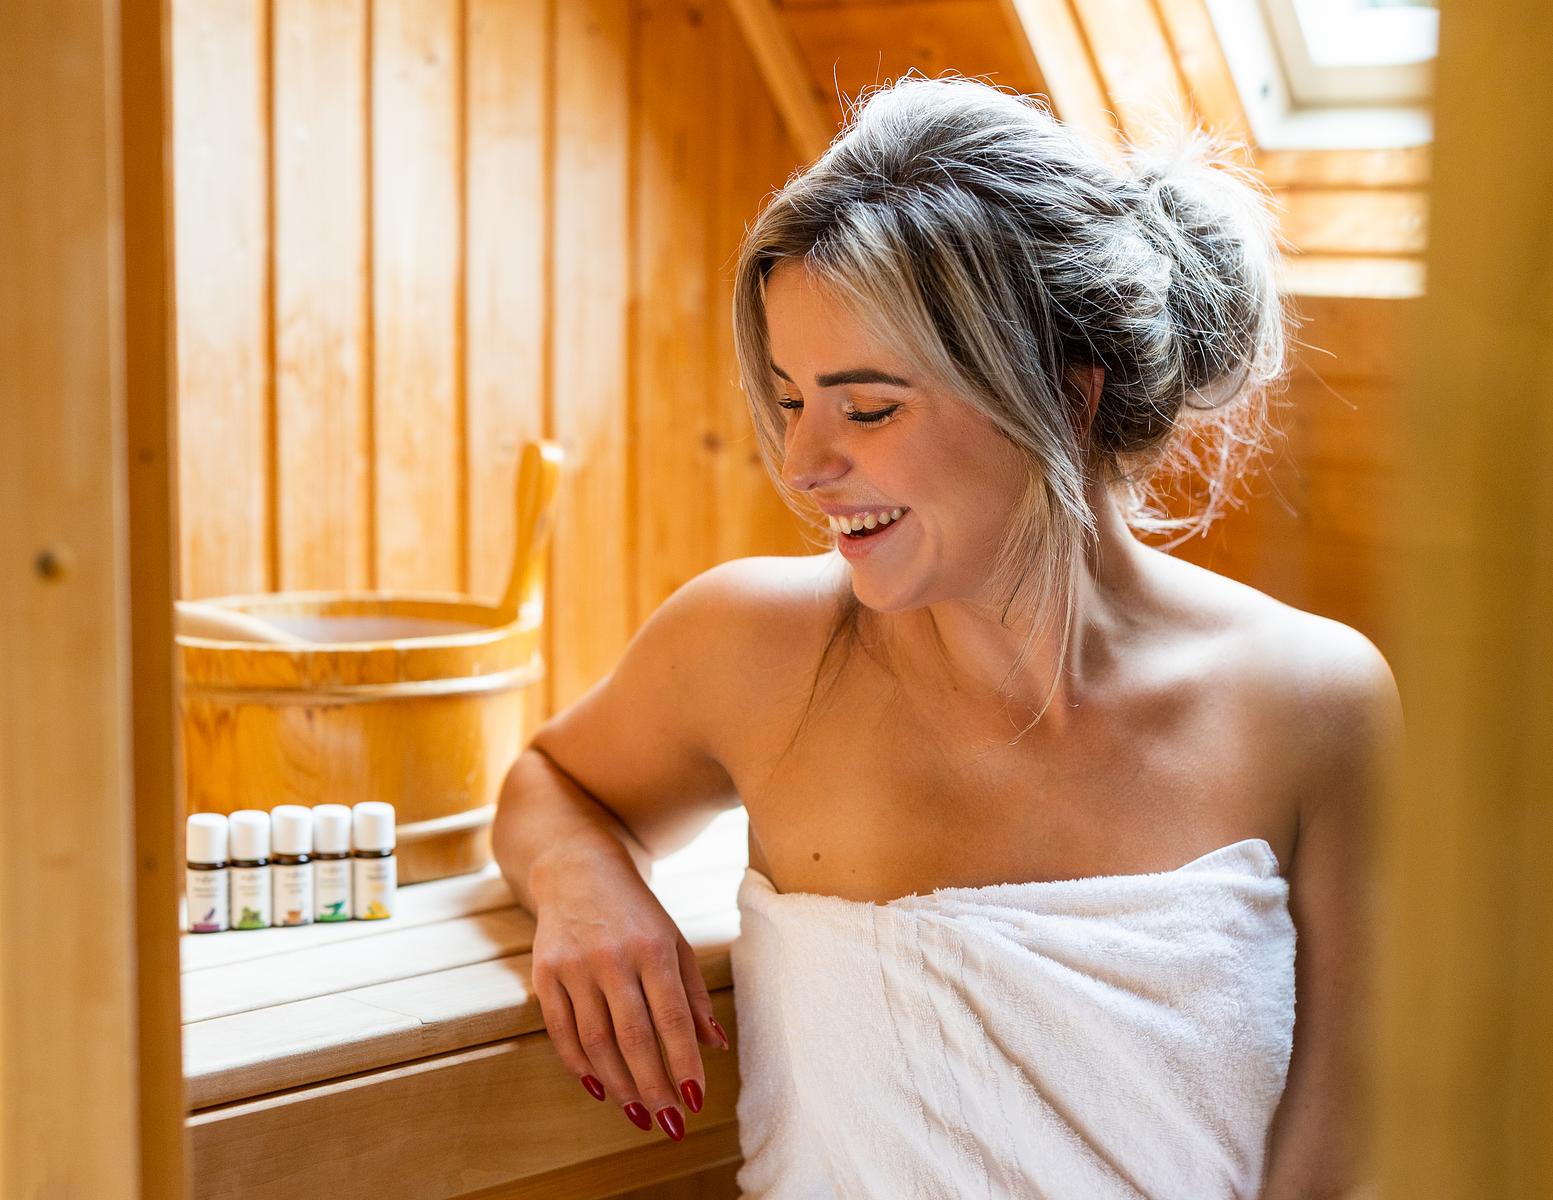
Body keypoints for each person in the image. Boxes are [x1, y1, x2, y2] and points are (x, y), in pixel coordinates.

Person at [493, 74, 1401, 1199]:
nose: (802, 464)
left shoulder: (1312, 703)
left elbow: (1349, 1146)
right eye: (790, 400)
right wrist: (583, 882)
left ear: (1064, 398)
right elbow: (548, 783)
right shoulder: (745, 650)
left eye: (868, 408)